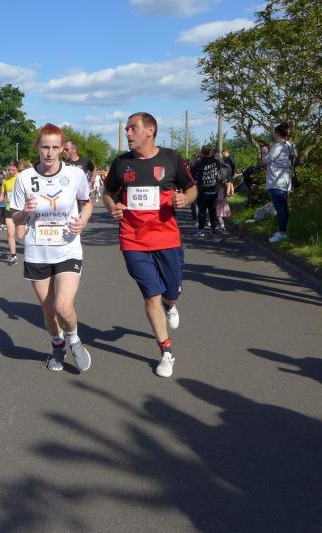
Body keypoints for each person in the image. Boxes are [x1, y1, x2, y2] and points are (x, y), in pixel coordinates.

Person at [103, 112, 197, 378]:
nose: (127, 133)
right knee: (150, 294)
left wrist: (185, 199)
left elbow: (191, 188)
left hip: (167, 238)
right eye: (127, 129)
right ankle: (166, 351)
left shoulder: (171, 158)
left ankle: (171, 303)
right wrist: (112, 206)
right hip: (132, 238)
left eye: (133, 128)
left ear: (150, 130)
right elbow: (108, 192)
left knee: (171, 291)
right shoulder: (121, 163)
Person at [11, 123, 93, 373]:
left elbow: (86, 203)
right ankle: (57, 346)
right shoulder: (25, 178)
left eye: (55, 148)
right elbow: (15, 218)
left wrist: (83, 221)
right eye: (45, 147)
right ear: (37, 146)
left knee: (63, 307)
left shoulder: (75, 175)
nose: (49, 153)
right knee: (48, 311)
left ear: (62, 148)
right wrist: (25, 212)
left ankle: (74, 340)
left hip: (68, 248)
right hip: (38, 251)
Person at [261, 123, 295, 243]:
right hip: (285, 181)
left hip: (276, 181)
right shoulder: (291, 146)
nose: (273, 135)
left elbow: (264, 161)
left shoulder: (278, 147)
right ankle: (282, 231)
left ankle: (282, 233)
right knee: (283, 208)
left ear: (278, 134)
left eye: (274, 134)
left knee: (280, 209)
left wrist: (264, 152)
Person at [190, 145, 221, 236]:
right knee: (212, 210)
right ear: (210, 152)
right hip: (213, 190)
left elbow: (192, 170)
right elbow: (219, 168)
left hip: (202, 190)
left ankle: (201, 230)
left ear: (202, 152)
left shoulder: (199, 162)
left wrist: (197, 179)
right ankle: (213, 229)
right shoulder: (216, 161)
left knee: (202, 211)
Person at [0, 160, 21, 265]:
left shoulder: (21, 177)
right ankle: (13, 256)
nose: (10, 171)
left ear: (17, 168)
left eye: (13, 169)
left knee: (20, 236)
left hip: (20, 209)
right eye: (9, 169)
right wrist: (0, 198)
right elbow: (3, 194)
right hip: (9, 209)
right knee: (10, 233)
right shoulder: (5, 180)